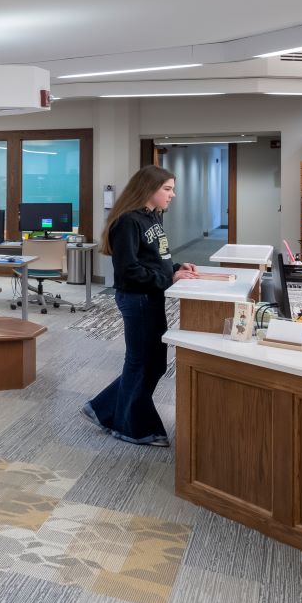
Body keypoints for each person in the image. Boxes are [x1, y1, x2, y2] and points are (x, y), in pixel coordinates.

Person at [83, 164, 200, 446]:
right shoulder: (127, 221)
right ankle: (129, 425)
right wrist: (169, 277)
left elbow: (154, 259)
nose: (173, 194)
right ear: (149, 189)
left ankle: (102, 407)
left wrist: (175, 266)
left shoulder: (153, 218)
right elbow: (128, 270)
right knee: (140, 362)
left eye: (172, 188)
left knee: (155, 363)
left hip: (151, 295)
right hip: (136, 298)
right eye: (167, 189)